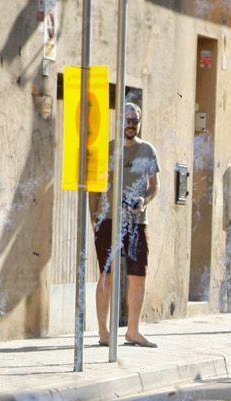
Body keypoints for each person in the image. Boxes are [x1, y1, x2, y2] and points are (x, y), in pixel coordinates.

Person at [90, 102, 159, 348]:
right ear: (120, 121)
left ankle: (133, 331)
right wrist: (94, 218)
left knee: (138, 276)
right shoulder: (107, 150)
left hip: (137, 222)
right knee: (106, 276)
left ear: (139, 122)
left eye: (134, 120)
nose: (130, 124)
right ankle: (103, 332)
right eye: (126, 119)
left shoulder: (148, 151)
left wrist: (145, 200)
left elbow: (154, 186)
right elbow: (95, 187)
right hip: (108, 221)